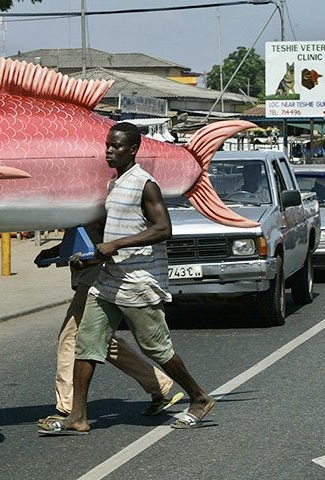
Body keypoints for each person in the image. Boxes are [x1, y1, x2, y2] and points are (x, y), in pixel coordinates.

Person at [38, 122, 214, 435]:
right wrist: (72, 252)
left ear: (132, 149)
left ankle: (199, 397)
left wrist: (116, 245)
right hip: (108, 281)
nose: (109, 150)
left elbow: (163, 229)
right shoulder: (114, 184)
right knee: (86, 344)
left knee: (156, 349)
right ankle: (78, 416)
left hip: (138, 282)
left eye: (116, 146)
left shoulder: (145, 184)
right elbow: (109, 231)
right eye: (108, 145)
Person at [34, 222, 182, 426]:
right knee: (98, 340)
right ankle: (159, 385)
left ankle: (67, 408)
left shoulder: (98, 202)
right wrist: (55, 252)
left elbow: (107, 238)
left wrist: (89, 259)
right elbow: (82, 236)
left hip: (99, 275)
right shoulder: (82, 202)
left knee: (71, 337)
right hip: (95, 275)